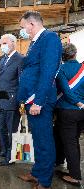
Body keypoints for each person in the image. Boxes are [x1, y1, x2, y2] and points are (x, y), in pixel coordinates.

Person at [17, 11, 62, 189]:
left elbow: (48, 72)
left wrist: (39, 101)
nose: (22, 30)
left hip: (39, 100)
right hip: (32, 98)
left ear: (32, 24)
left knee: (44, 141)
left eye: (22, 27)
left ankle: (44, 181)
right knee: (37, 139)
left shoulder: (49, 39)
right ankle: (37, 172)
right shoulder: (35, 42)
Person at [54, 43, 84, 187]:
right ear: (75, 54)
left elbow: (66, 91)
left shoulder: (61, 69)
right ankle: (59, 160)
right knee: (71, 139)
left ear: (63, 56)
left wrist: (77, 103)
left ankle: (75, 175)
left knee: (69, 143)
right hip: (81, 112)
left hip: (67, 111)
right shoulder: (83, 68)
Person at [0, 34, 23, 166]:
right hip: (0, 100)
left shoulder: (20, 59)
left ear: (13, 43)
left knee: (11, 131)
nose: (2, 46)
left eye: (5, 43)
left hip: (12, 101)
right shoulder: (2, 59)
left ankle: (11, 156)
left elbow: (22, 82)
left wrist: (20, 101)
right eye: (1, 44)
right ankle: (4, 150)